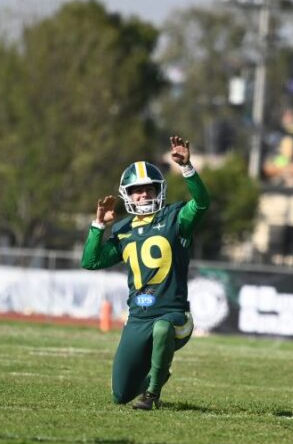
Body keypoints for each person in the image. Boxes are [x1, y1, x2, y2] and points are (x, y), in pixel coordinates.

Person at [80, 136, 210, 410]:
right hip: (138, 318)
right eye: (136, 190)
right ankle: (159, 374)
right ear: (127, 194)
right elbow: (91, 261)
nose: (143, 194)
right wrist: (97, 226)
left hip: (174, 316)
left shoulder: (175, 218)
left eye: (149, 189)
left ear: (158, 190)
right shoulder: (123, 229)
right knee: (119, 394)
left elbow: (201, 204)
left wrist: (187, 168)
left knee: (163, 329)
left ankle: (151, 395)